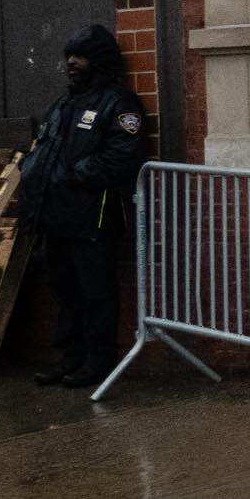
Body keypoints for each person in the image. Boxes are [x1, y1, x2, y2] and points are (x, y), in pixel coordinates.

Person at [15, 25, 147, 387]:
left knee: (97, 294)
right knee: (65, 293)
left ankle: (98, 363)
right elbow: (43, 148)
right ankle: (69, 359)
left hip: (94, 220)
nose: (72, 63)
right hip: (57, 218)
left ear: (99, 60)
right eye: (69, 57)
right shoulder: (64, 103)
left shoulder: (119, 103)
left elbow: (123, 155)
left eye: (80, 57)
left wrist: (73, 175)